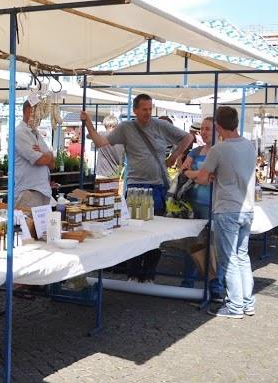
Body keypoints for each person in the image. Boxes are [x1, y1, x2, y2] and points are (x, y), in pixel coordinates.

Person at [81, 94, 194, 281]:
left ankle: (148, 274)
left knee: (154, 232)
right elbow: (101, 142)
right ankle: (133, 274)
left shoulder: (160, 125)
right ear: (135, 110)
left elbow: (188, 137)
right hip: (135, 186)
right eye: (144, 109)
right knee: (133, 232)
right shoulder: (126, 128)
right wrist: (88, 124)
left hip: (157, 185)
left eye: (150, 109)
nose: (148, 113)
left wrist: (174, 157)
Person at [185, 106, 257, 318]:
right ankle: (247, 302)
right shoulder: (249, 145)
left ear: (218, 125)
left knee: (229, 259)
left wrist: (189, 171)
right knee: (242, 257)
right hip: (247, 208)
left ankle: (235, 306)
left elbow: (202, 178)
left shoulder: (219, 150)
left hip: (227, 209)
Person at [179, 116, 214, 288]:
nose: (204, 132)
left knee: (211, 246)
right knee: (192, 243)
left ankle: (214, 284)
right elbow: (183, 170)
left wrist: (195, 174)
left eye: (209, 129)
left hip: (212, 205)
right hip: (192, 203)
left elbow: (211, 178)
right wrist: (200, 174)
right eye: (203, 129)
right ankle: (188, 281)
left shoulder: (219, 152)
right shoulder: (196, 151)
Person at [15, 100, 56, 208]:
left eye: (39, 114)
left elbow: (52, 164)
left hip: (41, 191)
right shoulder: (20, 133)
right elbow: (40, 160)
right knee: (27, 224)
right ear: (27, 112)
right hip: (29, 192)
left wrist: (44, 154)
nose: (38, 117)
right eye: (35, 113)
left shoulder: (36, 133)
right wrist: (48, 156)